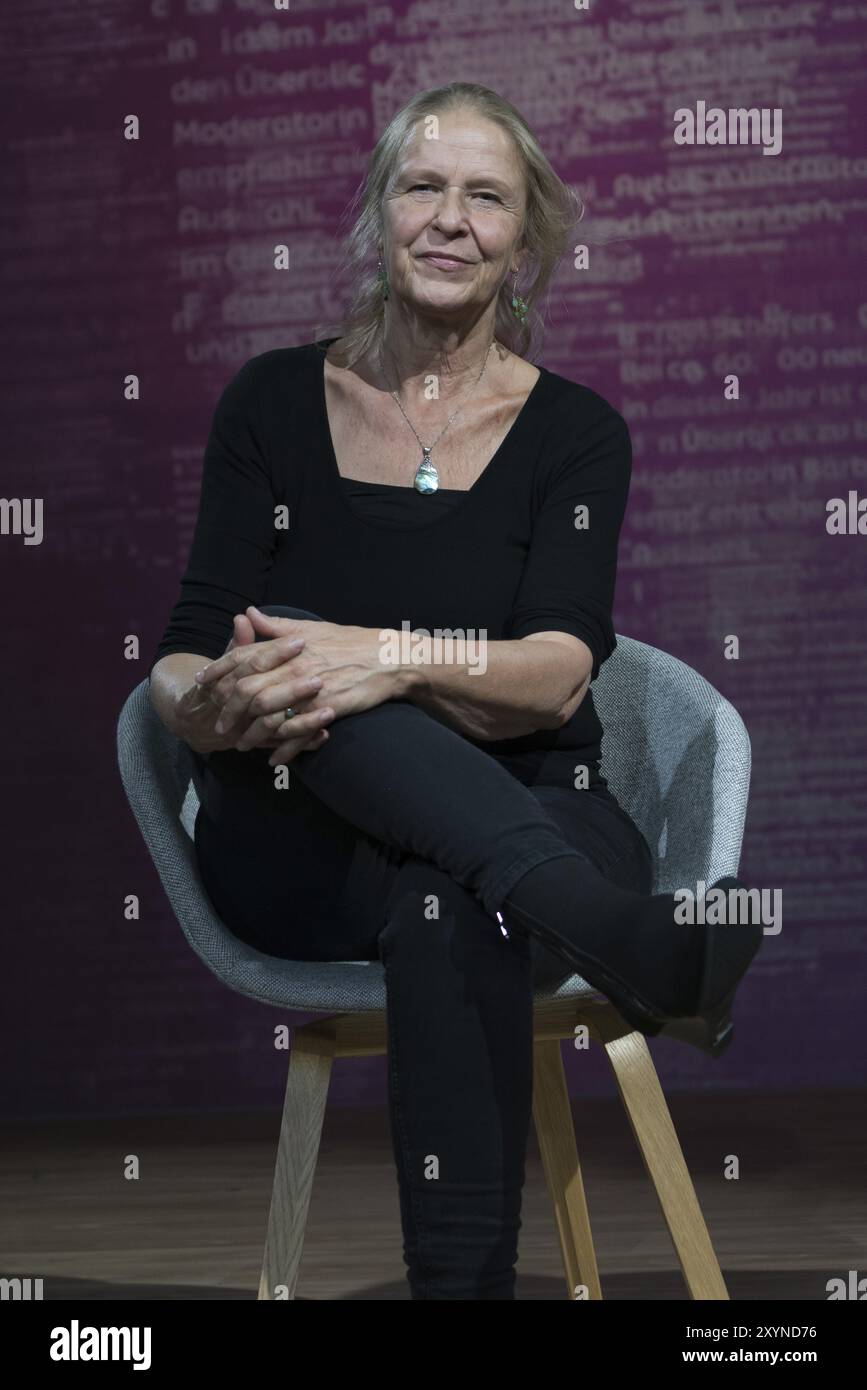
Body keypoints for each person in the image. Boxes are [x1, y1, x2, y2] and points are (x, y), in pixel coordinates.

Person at [148, 82, 763, 1300]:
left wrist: (389, 655)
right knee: (309, 663)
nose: (449, 219)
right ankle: (621, 931)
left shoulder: (575, 432)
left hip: (537, 795)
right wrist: (203, 706)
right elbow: (181, 648)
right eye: (421, 187)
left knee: (446, 892)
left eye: (486, 197)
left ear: (526, 241)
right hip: (300, 831)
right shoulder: (272, 403)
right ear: (379, 216)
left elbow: (555, 676)